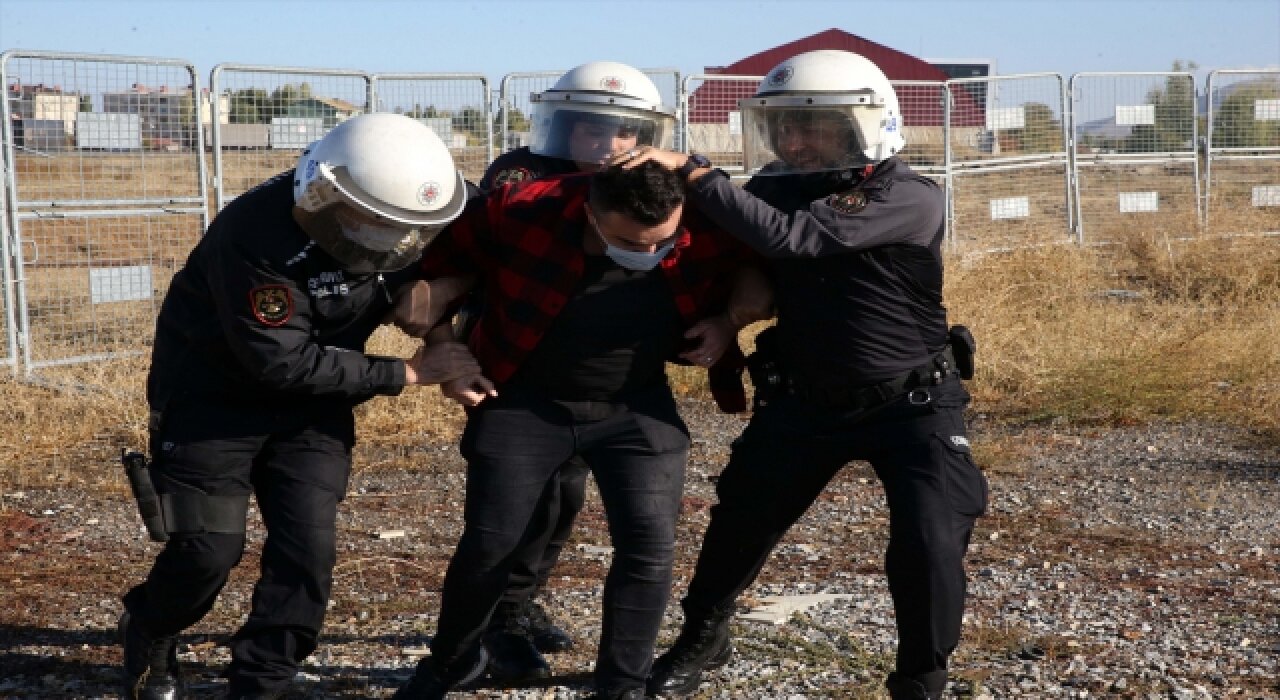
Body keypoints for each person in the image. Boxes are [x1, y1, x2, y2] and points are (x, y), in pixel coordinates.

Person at [618, 50, 988, 700]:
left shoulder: (907, 194)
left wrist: (697, 171)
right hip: (806, 399)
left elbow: (793, 240)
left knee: (930, 539)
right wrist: (730, 318)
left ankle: (921, 679)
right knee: (739, 522)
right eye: (783, 125)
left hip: (912, 403)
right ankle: (703, 636)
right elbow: (741, 250)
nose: (793, 140)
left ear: (861, 126)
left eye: (810, 126)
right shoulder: (775, 186)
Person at [118, 113, 482, 700]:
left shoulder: (414, 212)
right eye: (375, 225)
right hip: (212, 402)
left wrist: (440, 309)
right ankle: (152, 625)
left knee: (307, 548)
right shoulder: (257, 236)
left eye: (404, 230)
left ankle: (265, 677)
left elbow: (490, 237)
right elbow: (280, 362)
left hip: (316, 408)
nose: (390, 242)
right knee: (208, 550)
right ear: (327, 191)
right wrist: (412, 371)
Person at [391, 161, 770, 700]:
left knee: (648, 546)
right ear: (590, 213)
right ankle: (448, 665)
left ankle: (622, 685)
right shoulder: (520, 210)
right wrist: (442, 344)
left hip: (635, 405)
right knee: (490, 544)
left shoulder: (709, 217)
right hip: (524, 399)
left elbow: (766, 263)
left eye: (660, 244)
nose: (644, 255)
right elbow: (428, 271)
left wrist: (728, 322)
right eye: (626, 243)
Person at [473, 61, 683, 684]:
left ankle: (521, 602)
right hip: (518, 361)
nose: (612, 147)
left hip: (606, 373)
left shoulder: (650, 181)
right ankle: (497, 621)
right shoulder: (523, 174)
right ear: (564, 129)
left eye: (626, 133)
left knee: (566, 498)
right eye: (596, 133)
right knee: (525, 502)